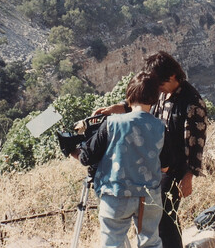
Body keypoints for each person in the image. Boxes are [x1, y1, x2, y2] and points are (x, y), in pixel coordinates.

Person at [95, 51, 208, 248]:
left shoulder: (192, 103)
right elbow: (141, 105)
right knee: (155, 219)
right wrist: (118, 108)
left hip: (173, 170)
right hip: (154, 166)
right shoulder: (161, 94)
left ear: (172, 76)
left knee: (165, 217)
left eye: (160, 85)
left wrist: (188, 176)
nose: (158, 90)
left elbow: (196, 144)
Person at [73, 71, 171, 248]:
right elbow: (164, 167)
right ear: (155, 98)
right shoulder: (161, 127)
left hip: (116, 195)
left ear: (129, 95)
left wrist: (71, 150)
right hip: (149, 196)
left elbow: (87, 157)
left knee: (113, 244)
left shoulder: (112, 123)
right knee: (151, 243)